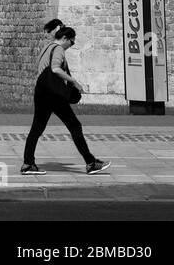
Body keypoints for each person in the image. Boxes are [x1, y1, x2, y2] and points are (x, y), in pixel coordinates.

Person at [21, 20, 110, 176]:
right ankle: (91, 163)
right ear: (65, 39)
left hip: (41, 92)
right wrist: (74, 81)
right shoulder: (58, 49)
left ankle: (28, 164)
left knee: (36, 129)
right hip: (53, 95)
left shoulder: (46, 47)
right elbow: (55, 69)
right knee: (75, 126)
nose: (72, 44)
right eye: (72, 41)